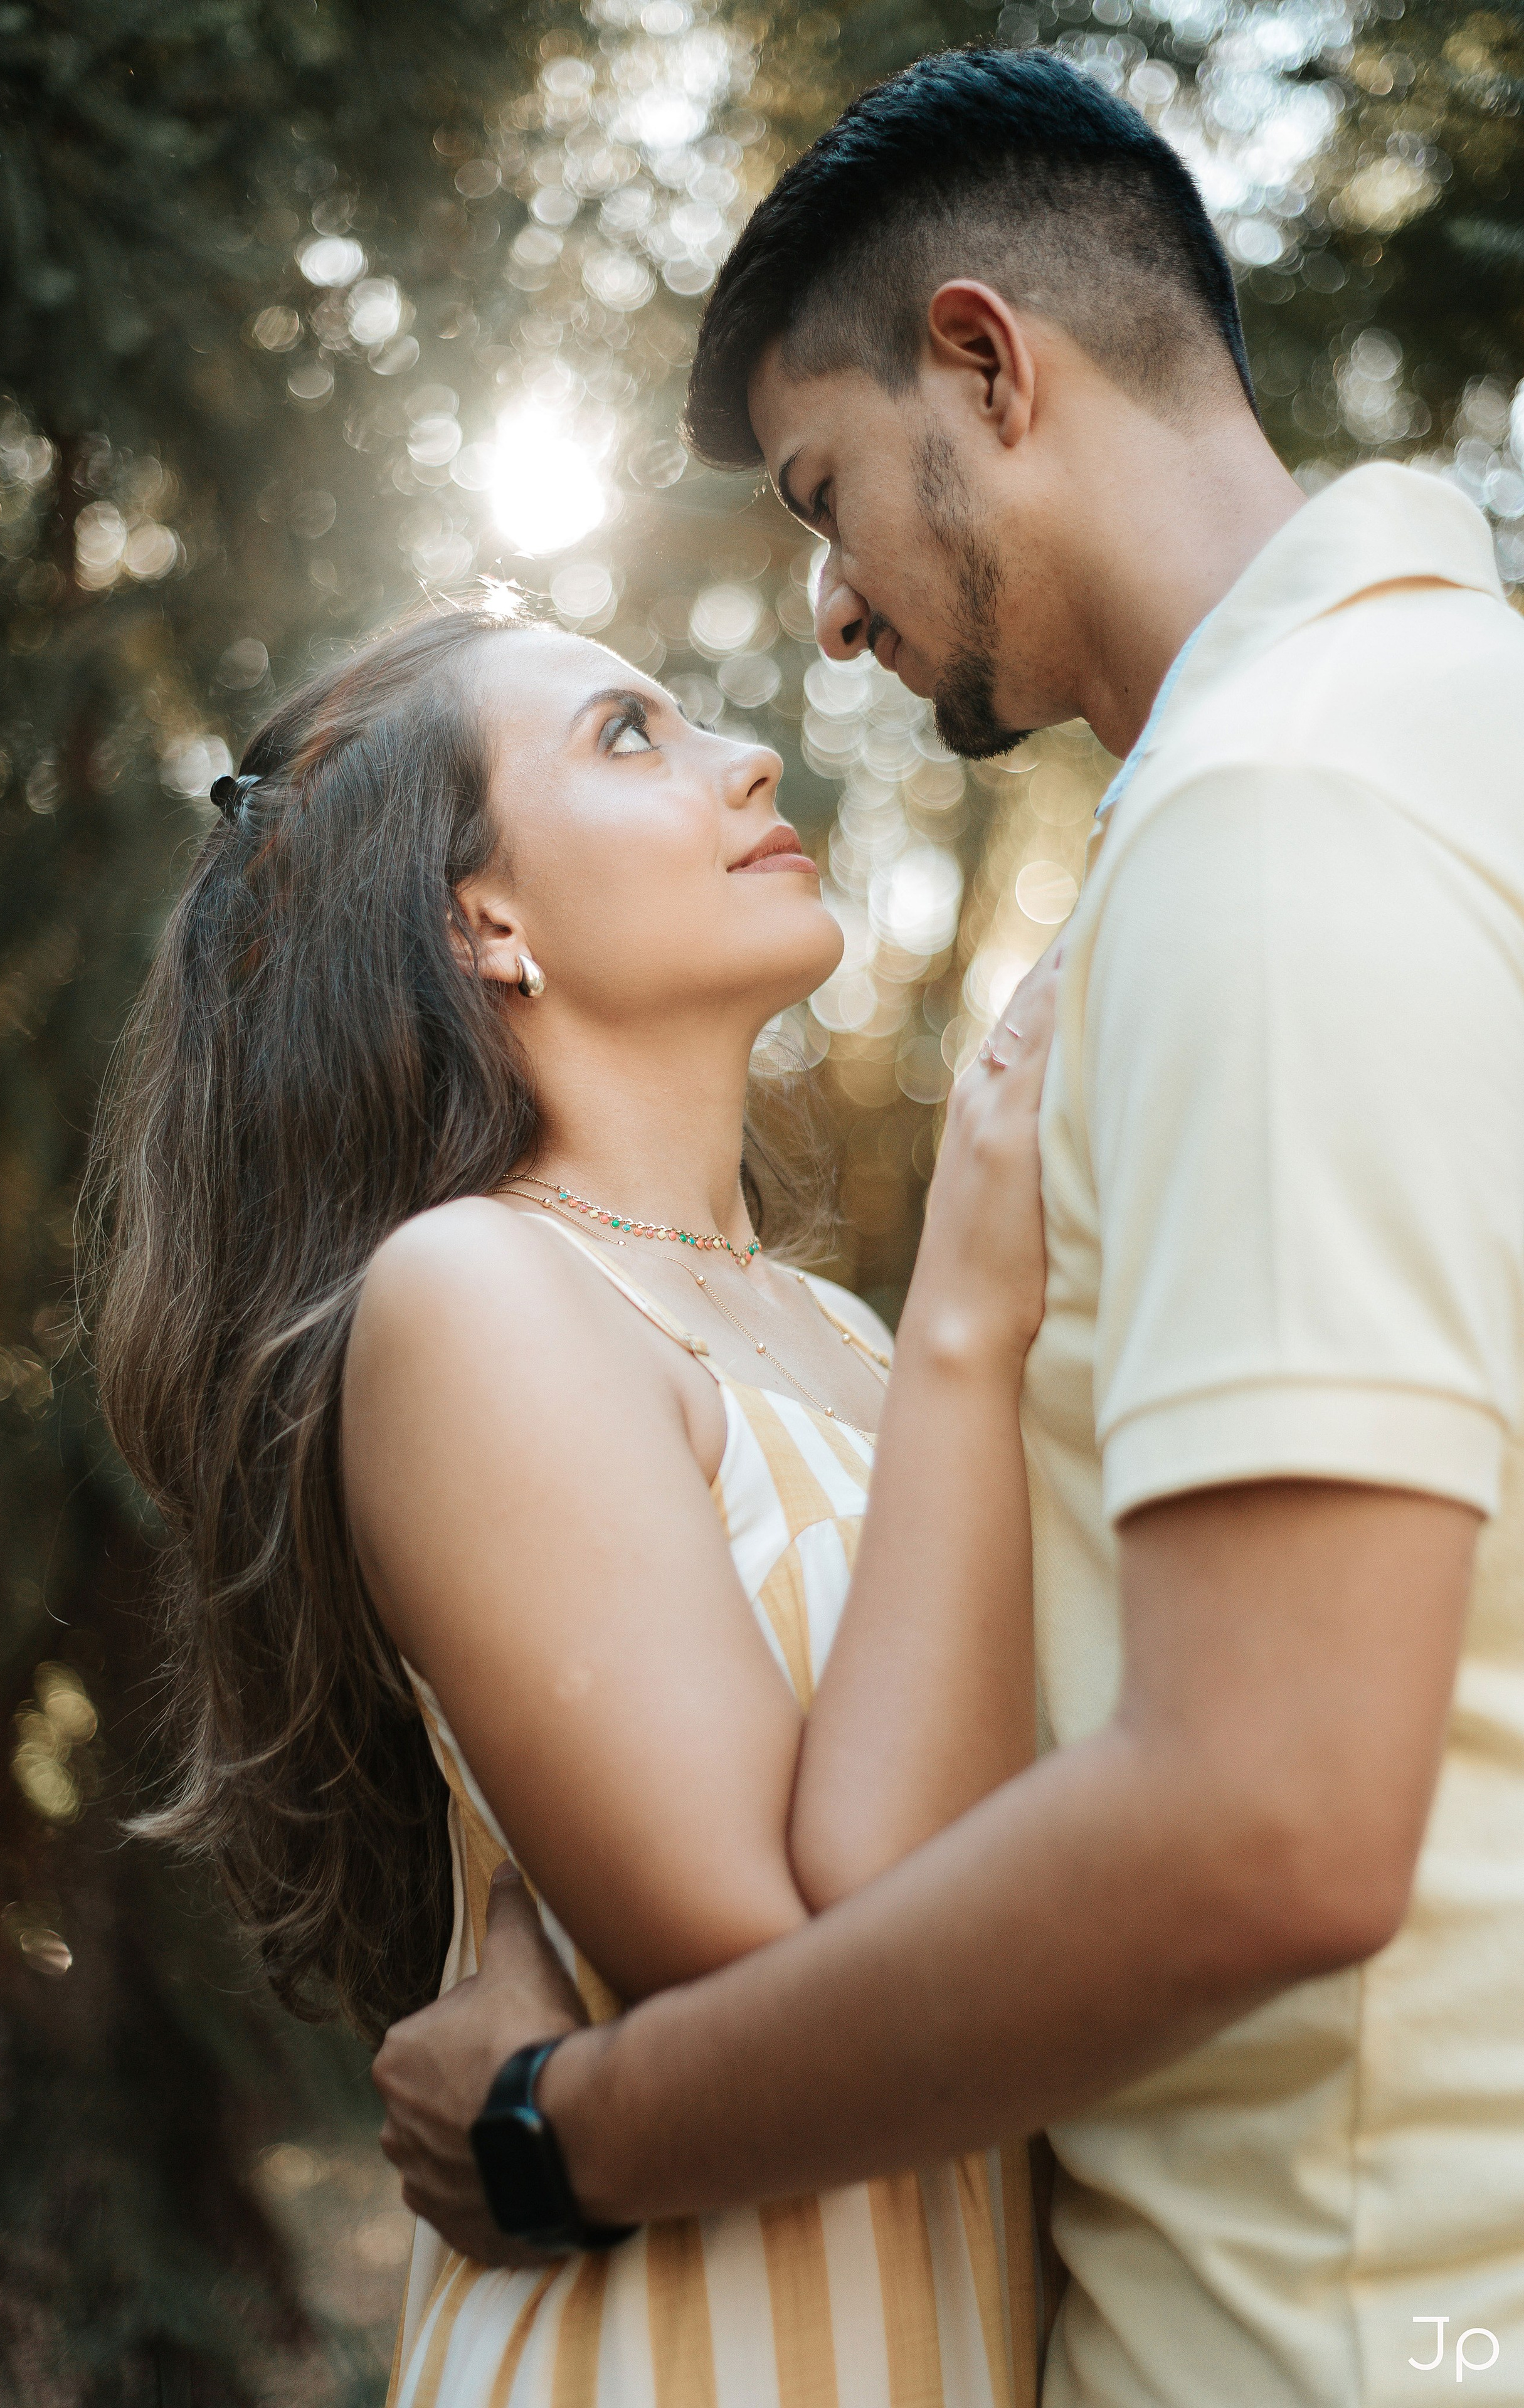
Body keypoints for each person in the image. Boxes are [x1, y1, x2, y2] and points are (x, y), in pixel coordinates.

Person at [371, 47, 1524, 2408]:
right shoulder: (1447, 737)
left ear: (988, 368)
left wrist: (562, 2131)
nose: (818, 634)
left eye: (822, 497)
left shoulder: (1278, 819)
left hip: (1327, 2321)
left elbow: (1267, 1813)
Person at [90, 594, 1072, 2406]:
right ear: (483, 921)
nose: (747, 756)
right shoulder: (477, 1292)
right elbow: (772, 1966)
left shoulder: (846, 1329)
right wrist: (978, 1297)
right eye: (630, 736)